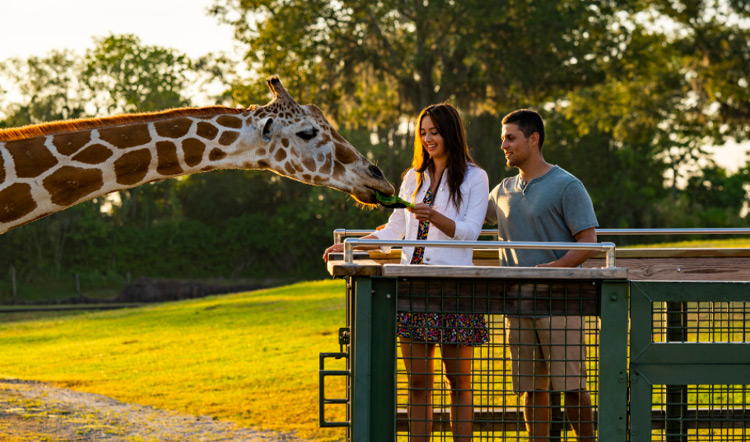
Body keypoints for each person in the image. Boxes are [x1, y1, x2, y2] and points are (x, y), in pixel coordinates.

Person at [324, 103, 489, 441]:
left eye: (435, 132)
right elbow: (394, 229)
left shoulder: (475, 177)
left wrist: (434, 217)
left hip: (455, 290)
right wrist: (352, 245)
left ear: (451, 133)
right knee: (417, 383)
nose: (429, 139)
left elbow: (470, 232)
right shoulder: (412, 177)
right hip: (412, 289)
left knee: (459, 382)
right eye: (423, 132)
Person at [485, 109, 598, 442]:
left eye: (510, 138)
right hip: (517, 305)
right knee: (531, 389)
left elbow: (589, 243)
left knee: (572, 387)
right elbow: (464, 222)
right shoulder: (502, 190)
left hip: (560, 304)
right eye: (502, 138)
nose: (503, 145)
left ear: (533, 139)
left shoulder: (567, 185)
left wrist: (554, 269)